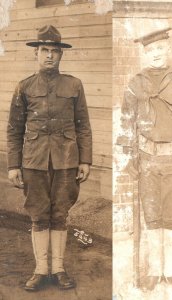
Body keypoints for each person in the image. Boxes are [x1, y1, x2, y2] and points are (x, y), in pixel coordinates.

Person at [117, 27, 172, 292]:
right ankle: (155, 271)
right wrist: (130, 159)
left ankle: (171, 271)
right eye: (150, 50)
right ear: (144, 53)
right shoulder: (136, 83)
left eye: (159, 49)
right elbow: (127, 123)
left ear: (168, 49)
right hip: (147, 160)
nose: (155, 54)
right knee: (152, 216)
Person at [7, 25, 92, 291]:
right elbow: (14, 129)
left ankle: (59, 268)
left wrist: (85, 160)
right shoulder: (24, 87)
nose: (50, 56)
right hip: (34, 161)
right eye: (45, 50)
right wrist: (13, 165)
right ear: (36, 53)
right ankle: (41, 269)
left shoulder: (74, 85)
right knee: (39, 216)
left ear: (61, 55)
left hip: (67, 159)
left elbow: (83, 126)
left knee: (60, 214)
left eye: (55, 51)